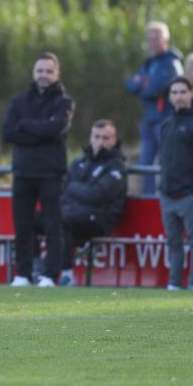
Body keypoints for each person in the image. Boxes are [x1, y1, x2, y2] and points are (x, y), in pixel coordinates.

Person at [2, 52, 74, 288]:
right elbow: (8, 133)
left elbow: (55, 130)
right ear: (34, 73)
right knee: (22, 226)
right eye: (40, 71)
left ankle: (49, 275)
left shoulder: (64, 103)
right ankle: (23, 273)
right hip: (23, 172)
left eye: (49, 71)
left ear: (57, 74)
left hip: (51, 173)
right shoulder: (18, 101)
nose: (44, 75)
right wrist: (39, 131)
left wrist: (25, 126)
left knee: (53, 226)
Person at [158, 76, 193, 291]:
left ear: (191, 94)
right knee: (173, 243)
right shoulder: (167, 124)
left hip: (189, 197)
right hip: (167, 195)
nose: (178, 96)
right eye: (174, 92)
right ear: (170, 96)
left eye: (183, 92)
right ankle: (174, 283)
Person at [57, 120, 127, 286]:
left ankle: (66, 275)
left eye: (106, 138)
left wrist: (72, 187)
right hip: (72, 213)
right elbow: (62, 189)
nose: (100, 142)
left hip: (98, 220)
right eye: (97, 137)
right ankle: (35, 270)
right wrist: (81, 191)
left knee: (62, 220)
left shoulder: (116, 166)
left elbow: (97, 195)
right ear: (90, 138)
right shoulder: (79, 163)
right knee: (32, 219)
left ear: (114, 140)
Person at [125, 21, 183, 194]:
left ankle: (166, 197)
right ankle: (149, 196)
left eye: (157, 38)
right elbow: (129, 85)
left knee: (166, 162)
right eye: (149, 38)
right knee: (145, 163)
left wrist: (141, 85)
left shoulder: (170, 63)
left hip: (165, 120)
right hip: (149, 119)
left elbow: (153, 90)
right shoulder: (150, 63)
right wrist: (140, 84)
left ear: (166, 40)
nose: (153, 42)